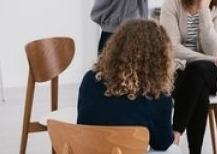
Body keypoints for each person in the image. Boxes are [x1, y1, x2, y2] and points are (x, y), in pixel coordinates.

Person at [159, 0, 217, 154]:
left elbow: (213, 48)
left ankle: (175, 132)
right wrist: (212, 59)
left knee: (197, 70)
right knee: (197, 89)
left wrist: (204, 10)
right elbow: (172, 48)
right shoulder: (172, 3)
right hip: (177, 70)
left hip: (208, 73)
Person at [77, 19, 181, 154]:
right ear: (161, 58)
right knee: (174, 151)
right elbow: (162, 143)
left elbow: (82, 121)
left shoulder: (90, 79)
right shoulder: (157, 96)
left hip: (89, 150)